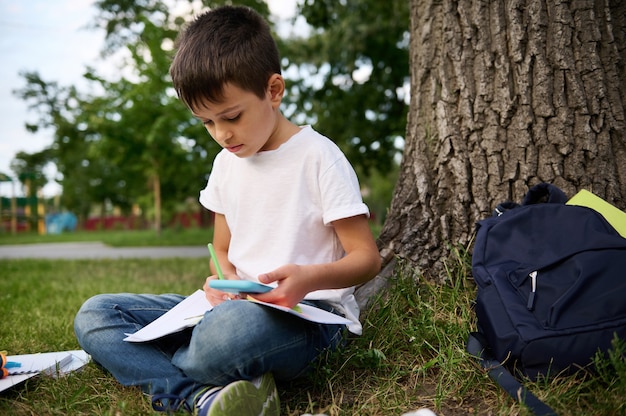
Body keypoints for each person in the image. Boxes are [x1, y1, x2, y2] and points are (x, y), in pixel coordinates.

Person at [74, 5, 381, 416]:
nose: (222, 135)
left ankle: (162, 360)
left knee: (231, 333)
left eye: (231, 116)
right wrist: (223, 279)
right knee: (95, 314)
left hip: (308, 318)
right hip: (233, 307)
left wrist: (307, 279)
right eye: (206, 123)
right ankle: (202, 396)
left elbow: (367, 259)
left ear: (273, 91)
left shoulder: (319, 157)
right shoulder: (225, 164)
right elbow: (222, 249)